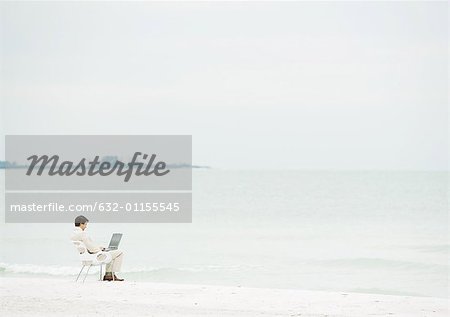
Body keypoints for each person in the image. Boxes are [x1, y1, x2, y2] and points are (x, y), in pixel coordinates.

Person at [71, 215, 124, 281]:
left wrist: (101, 248)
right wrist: (101, 250)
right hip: (95, 257)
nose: (86, 226)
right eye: (85, 224)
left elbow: (88, 246)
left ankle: (108, 275)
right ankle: (110, 275)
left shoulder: (74, 234)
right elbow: (91, 248)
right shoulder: (82, 234)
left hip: (86, 258)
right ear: (81, 224)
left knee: (110, 253)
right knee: (119, 253)